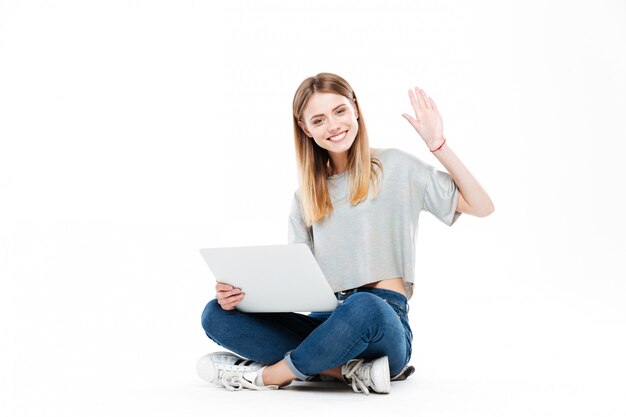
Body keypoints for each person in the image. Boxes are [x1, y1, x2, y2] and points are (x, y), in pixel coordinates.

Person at [197, 72, 494, 394]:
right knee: (215, 314)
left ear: (355, 109)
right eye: (319, 119)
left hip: (379, 319)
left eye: (339, 111)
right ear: (305, 129)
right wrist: (242, 296)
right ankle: (343, 371)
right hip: (324, 319)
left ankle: (267, 376)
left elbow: (481, 206)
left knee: (363, 304)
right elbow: (296, 282)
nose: (334, 126)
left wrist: (438, 145)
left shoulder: (395, 166)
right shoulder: (305, 196)